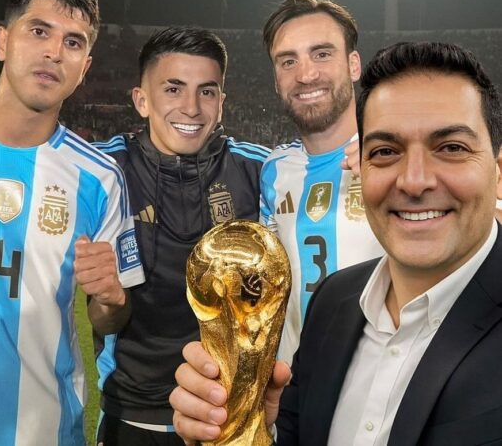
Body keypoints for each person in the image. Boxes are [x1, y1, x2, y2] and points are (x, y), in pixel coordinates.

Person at [170, 41, 502, 445]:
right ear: (360, 168)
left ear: (498, 170)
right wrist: (247, 428)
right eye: (385, 151)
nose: (414, 181)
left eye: (451, 148)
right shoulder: (332, 301)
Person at [0, 0, 144, 445]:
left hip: (45, 431)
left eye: (73, 42)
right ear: (2, 41)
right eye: (39, 31)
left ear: (85, 68)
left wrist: (111, 297)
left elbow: (110, 318)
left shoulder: (100, 177)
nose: (54, 52)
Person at [78, 26, 270, 445]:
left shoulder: (260, 171)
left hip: (228, 415)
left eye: (207, 92)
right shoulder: (102, 172)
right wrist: (109, 298)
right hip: (133, 415)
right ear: (141, 100)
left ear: (222, 103)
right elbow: (104, 318)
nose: (192, 108)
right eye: (173, 89)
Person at [260, 0, 383, 362]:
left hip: (385, 383)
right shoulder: (273, 170)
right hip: (294, 385)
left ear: (354, 65)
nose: (306, 74)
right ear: (276, 79)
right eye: (288, 61)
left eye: (322, 54)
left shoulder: (399, 155)